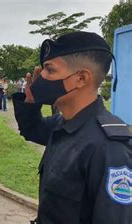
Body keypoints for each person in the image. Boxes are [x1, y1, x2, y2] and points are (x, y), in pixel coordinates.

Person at [12, 32, 131, 223]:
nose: (40, 76)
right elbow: (32, 130)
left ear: (81, 78)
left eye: (50, 71)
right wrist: (31, 103)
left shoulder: (109, 147)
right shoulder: (63, 123)